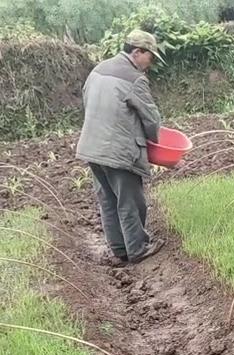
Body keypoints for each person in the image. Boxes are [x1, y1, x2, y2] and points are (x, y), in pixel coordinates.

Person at [76, 29, 166, 265]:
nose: (151, 63)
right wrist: (155, 146)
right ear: (137, 52)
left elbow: (87, 103)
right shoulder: (134, 78)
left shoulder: (97, 71)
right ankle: (137, 248)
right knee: (130, 201)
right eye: (151, 56)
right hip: (118, 152)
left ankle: (118, 249)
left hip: (92, 147)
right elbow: (151, 119)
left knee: (107, 199)